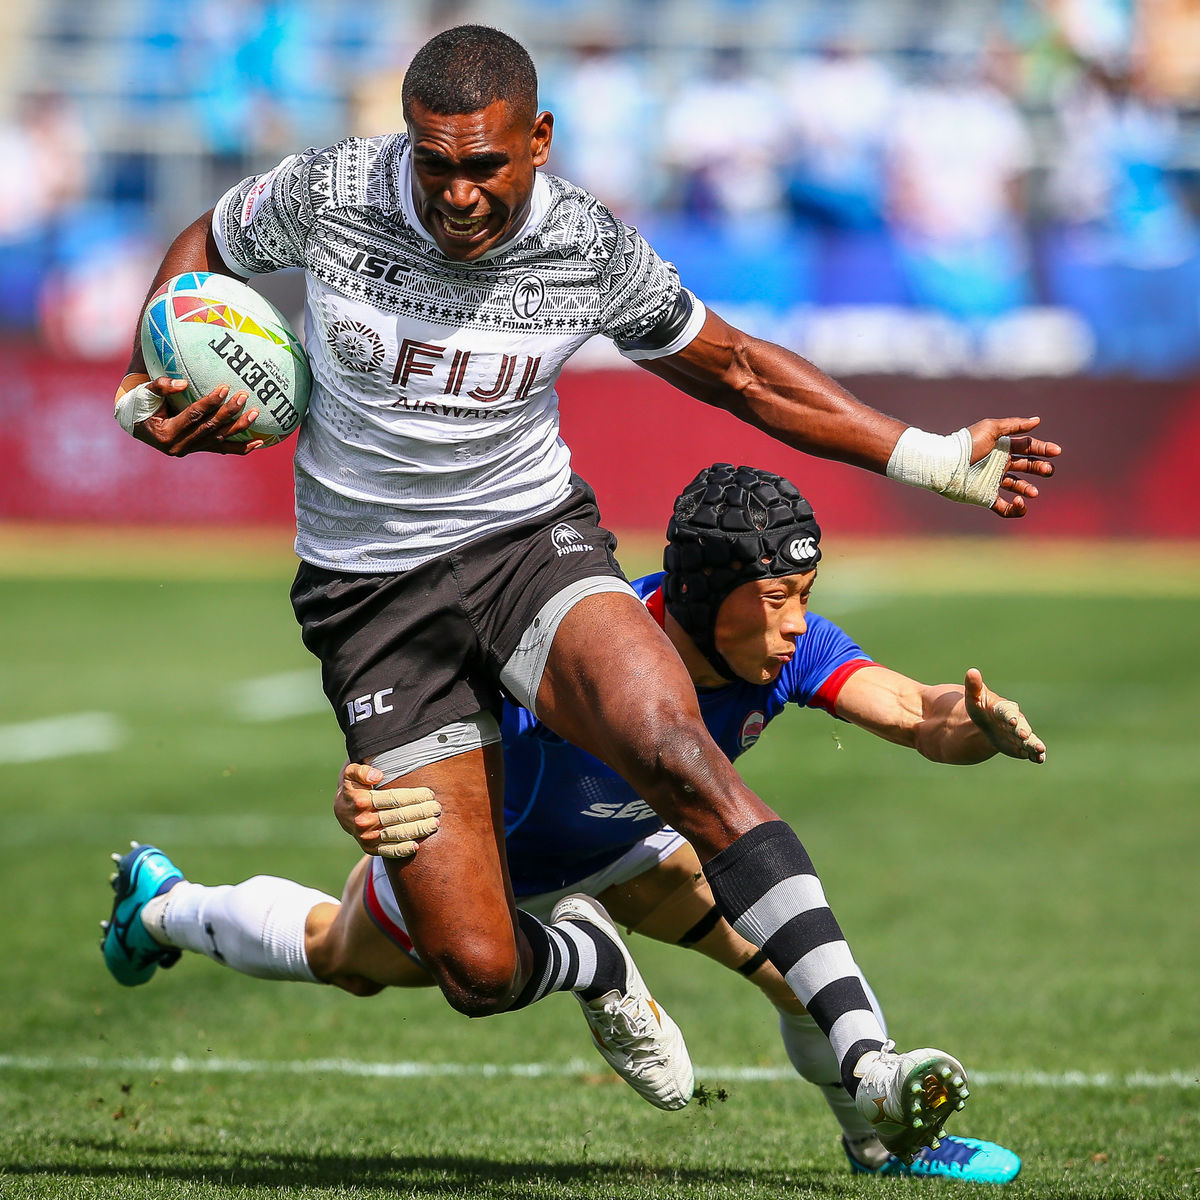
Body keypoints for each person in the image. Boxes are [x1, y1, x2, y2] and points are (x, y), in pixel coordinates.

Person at [107, 24, 1061, 1160]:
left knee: (676, 752)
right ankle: (588, 956)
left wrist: (936, 459)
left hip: (530, 546)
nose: (458, 193)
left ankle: (874, 1067)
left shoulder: (589, 248)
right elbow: (205, 240)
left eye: (485, 165)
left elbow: (744, 371)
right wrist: (151, 372)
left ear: (540, 141)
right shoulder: (331, 190)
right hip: (373, 603)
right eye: (435, 162)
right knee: (472, 965)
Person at [103, 464, 1037, 1182]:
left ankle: (883, 1144)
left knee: (793, 973)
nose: (799, 623)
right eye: (777, 600)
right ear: (707, 602)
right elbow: (420, 720)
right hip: (492, 868)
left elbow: (919, 714)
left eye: (805, 594)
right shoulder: (575, 648)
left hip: (634, 849)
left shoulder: (796, 652)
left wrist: (977, 727)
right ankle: (162, 905)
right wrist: (370, 792)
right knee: (340, 956)